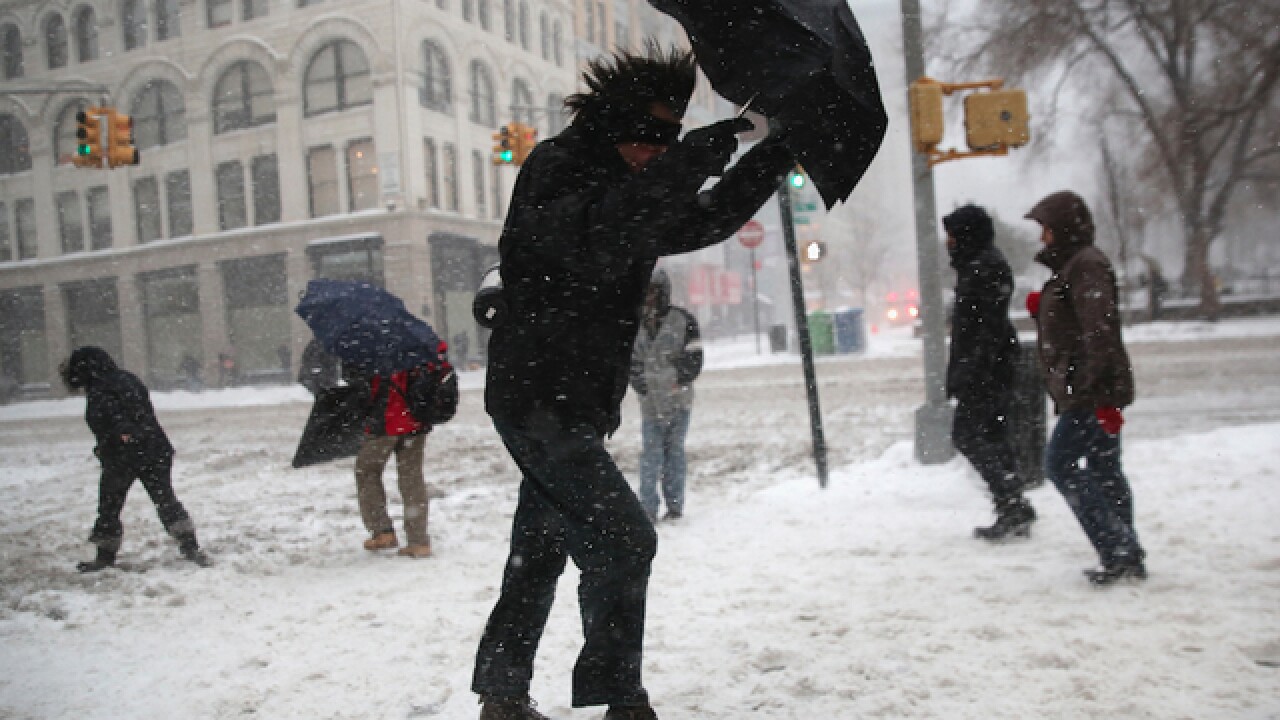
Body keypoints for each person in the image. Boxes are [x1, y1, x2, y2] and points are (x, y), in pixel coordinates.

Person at [473, 44, 794, 720]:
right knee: (625, 538)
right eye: (650, 137)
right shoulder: (558, 170)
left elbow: (704, 218)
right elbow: (602, 226)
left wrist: (775, 153)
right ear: (615, 121)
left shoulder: (634, 189)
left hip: (578, 403)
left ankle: (502, 697)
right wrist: (695, 157)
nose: (658, 152)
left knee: (540, 547)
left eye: (669, 139)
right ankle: (621, 699)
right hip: (535, 398)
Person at [1025, 191, 1145, 585]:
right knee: (1105, 469)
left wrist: (1099, 393)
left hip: (1089, 389)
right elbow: (1079, 319)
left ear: (1060, 228)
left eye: (1045, 227)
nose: (1042, 236)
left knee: (1059, 465)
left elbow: (1099, 329)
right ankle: (1125, 554)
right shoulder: (1077, 267)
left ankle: (1119, 549)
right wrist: (1042, 308)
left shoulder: (1086, 266)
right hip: (1090, 386)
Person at [60, 346, 210, 571]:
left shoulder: (101, 388)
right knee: (164, 498)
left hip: (125, 454)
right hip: (154, 448)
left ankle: (105, 555)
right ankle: (190, 546)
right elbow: (139, 410)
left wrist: (121, 436)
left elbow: (117, 416)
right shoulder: (126, 379)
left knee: (110, 505)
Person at [942, 205, 1035, 541]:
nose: (948, 242)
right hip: (990, 367)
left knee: (967, 435)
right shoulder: (980, 266)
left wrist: (968, 371)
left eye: (952, 235)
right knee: (994, 437)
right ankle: (1013, 503)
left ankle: (1011, 501)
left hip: (985, 370)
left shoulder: (983, 269)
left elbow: (983, 330)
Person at [629, 268, 703, 523]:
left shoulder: (684, 321)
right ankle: (647, 508)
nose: (650, 297)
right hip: (649, 404)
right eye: (646, 291)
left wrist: (677, 380)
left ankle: (674, 505)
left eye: (654, 291)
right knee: (650, 456)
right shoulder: (633, 324)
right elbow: (630, 363)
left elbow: (694, 358)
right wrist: (642, 385)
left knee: (674, 454)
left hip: (678, 401)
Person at [349, 364, 433, 559]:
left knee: (367, 470)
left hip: (386, 419)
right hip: (416, 419)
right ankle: (418, 540)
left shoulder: (377, 348)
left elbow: (363, 383)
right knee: (412, 477)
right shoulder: (422, 344)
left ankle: (382, 531)